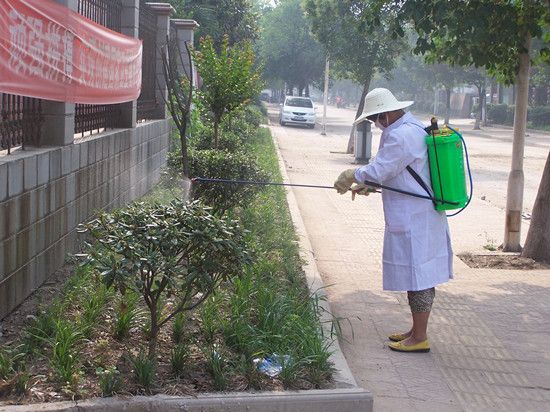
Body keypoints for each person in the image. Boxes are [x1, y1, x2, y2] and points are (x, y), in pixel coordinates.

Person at [334, 88, 453, 353]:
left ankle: (420, 337)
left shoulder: (402, 135)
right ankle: (415, 330)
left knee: (419, 275)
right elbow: (398, 173)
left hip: (416, 219)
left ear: (386, 114)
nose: (375, 125)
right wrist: (368, 185)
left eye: (376, 119)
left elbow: (380, 169)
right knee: (418, 274)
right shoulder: (409, 127)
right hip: (418, 214)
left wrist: (352, 174)